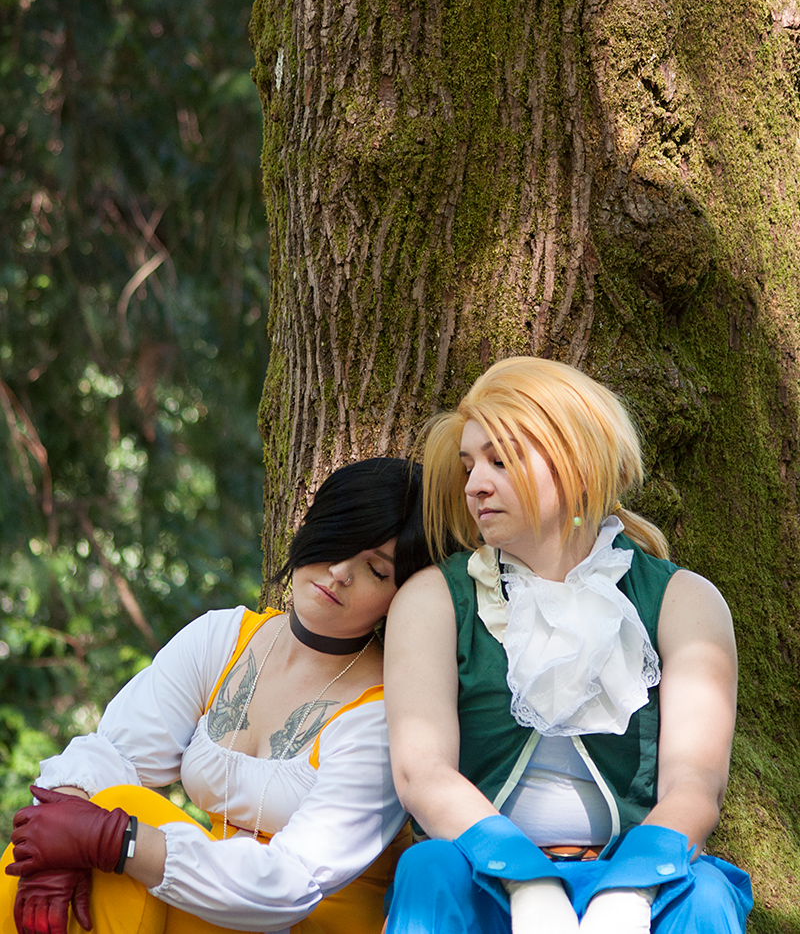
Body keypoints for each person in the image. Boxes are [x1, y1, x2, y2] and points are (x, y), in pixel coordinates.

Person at [383, 358, 752, 934]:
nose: (475, 484)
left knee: (705, 896)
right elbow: (422, 774)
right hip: (480, 880)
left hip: (637, 883)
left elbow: (695, 787)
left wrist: (629, 892)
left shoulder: (683, 601)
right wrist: (526, 881)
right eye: (469, 466)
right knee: (429, 869)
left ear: (576, 465)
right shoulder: (434, 599)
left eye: (500, 461)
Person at [3, 457, 439, 934]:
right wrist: (64, 823)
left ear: (401, 595)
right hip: (204, 907)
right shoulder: (224, 638)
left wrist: (117, 840)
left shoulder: (384, 714)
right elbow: (115, 753)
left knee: (129, 815)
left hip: (297, 921)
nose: (339, 572)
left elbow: (291, 884)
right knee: (45, 845)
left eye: (375, 570)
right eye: (339, 539)